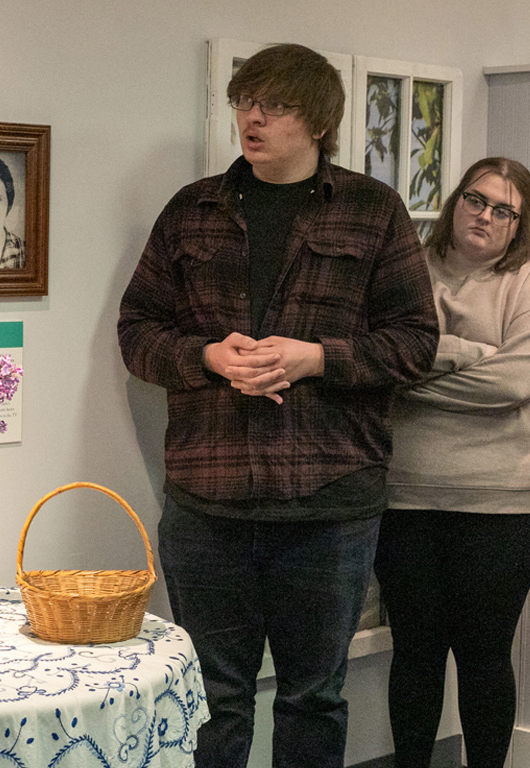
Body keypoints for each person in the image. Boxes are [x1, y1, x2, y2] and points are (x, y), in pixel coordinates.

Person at [118, 43, 438, 768]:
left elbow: (416, 343)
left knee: (313, 698)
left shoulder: (372, 210)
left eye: (274, 105)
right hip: (208, 500)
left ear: (319, 121)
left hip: (328, 505)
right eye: (243, 101)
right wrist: (205, 357)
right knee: (211, 698)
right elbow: (137, 334)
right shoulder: (191, 210)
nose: (251, 118)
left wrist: (317, 357)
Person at [375, 157, 530, 768]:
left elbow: (515, 382)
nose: (485, 217)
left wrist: (407, 380)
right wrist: (473, 352)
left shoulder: (523, 282)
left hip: (500, 505)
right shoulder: (407, 270)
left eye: (504, 210)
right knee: (414, 654)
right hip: (404, 498)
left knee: (485, 656)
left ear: (518, 226)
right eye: (476, 200)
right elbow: (376, 356)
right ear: (455, 201)